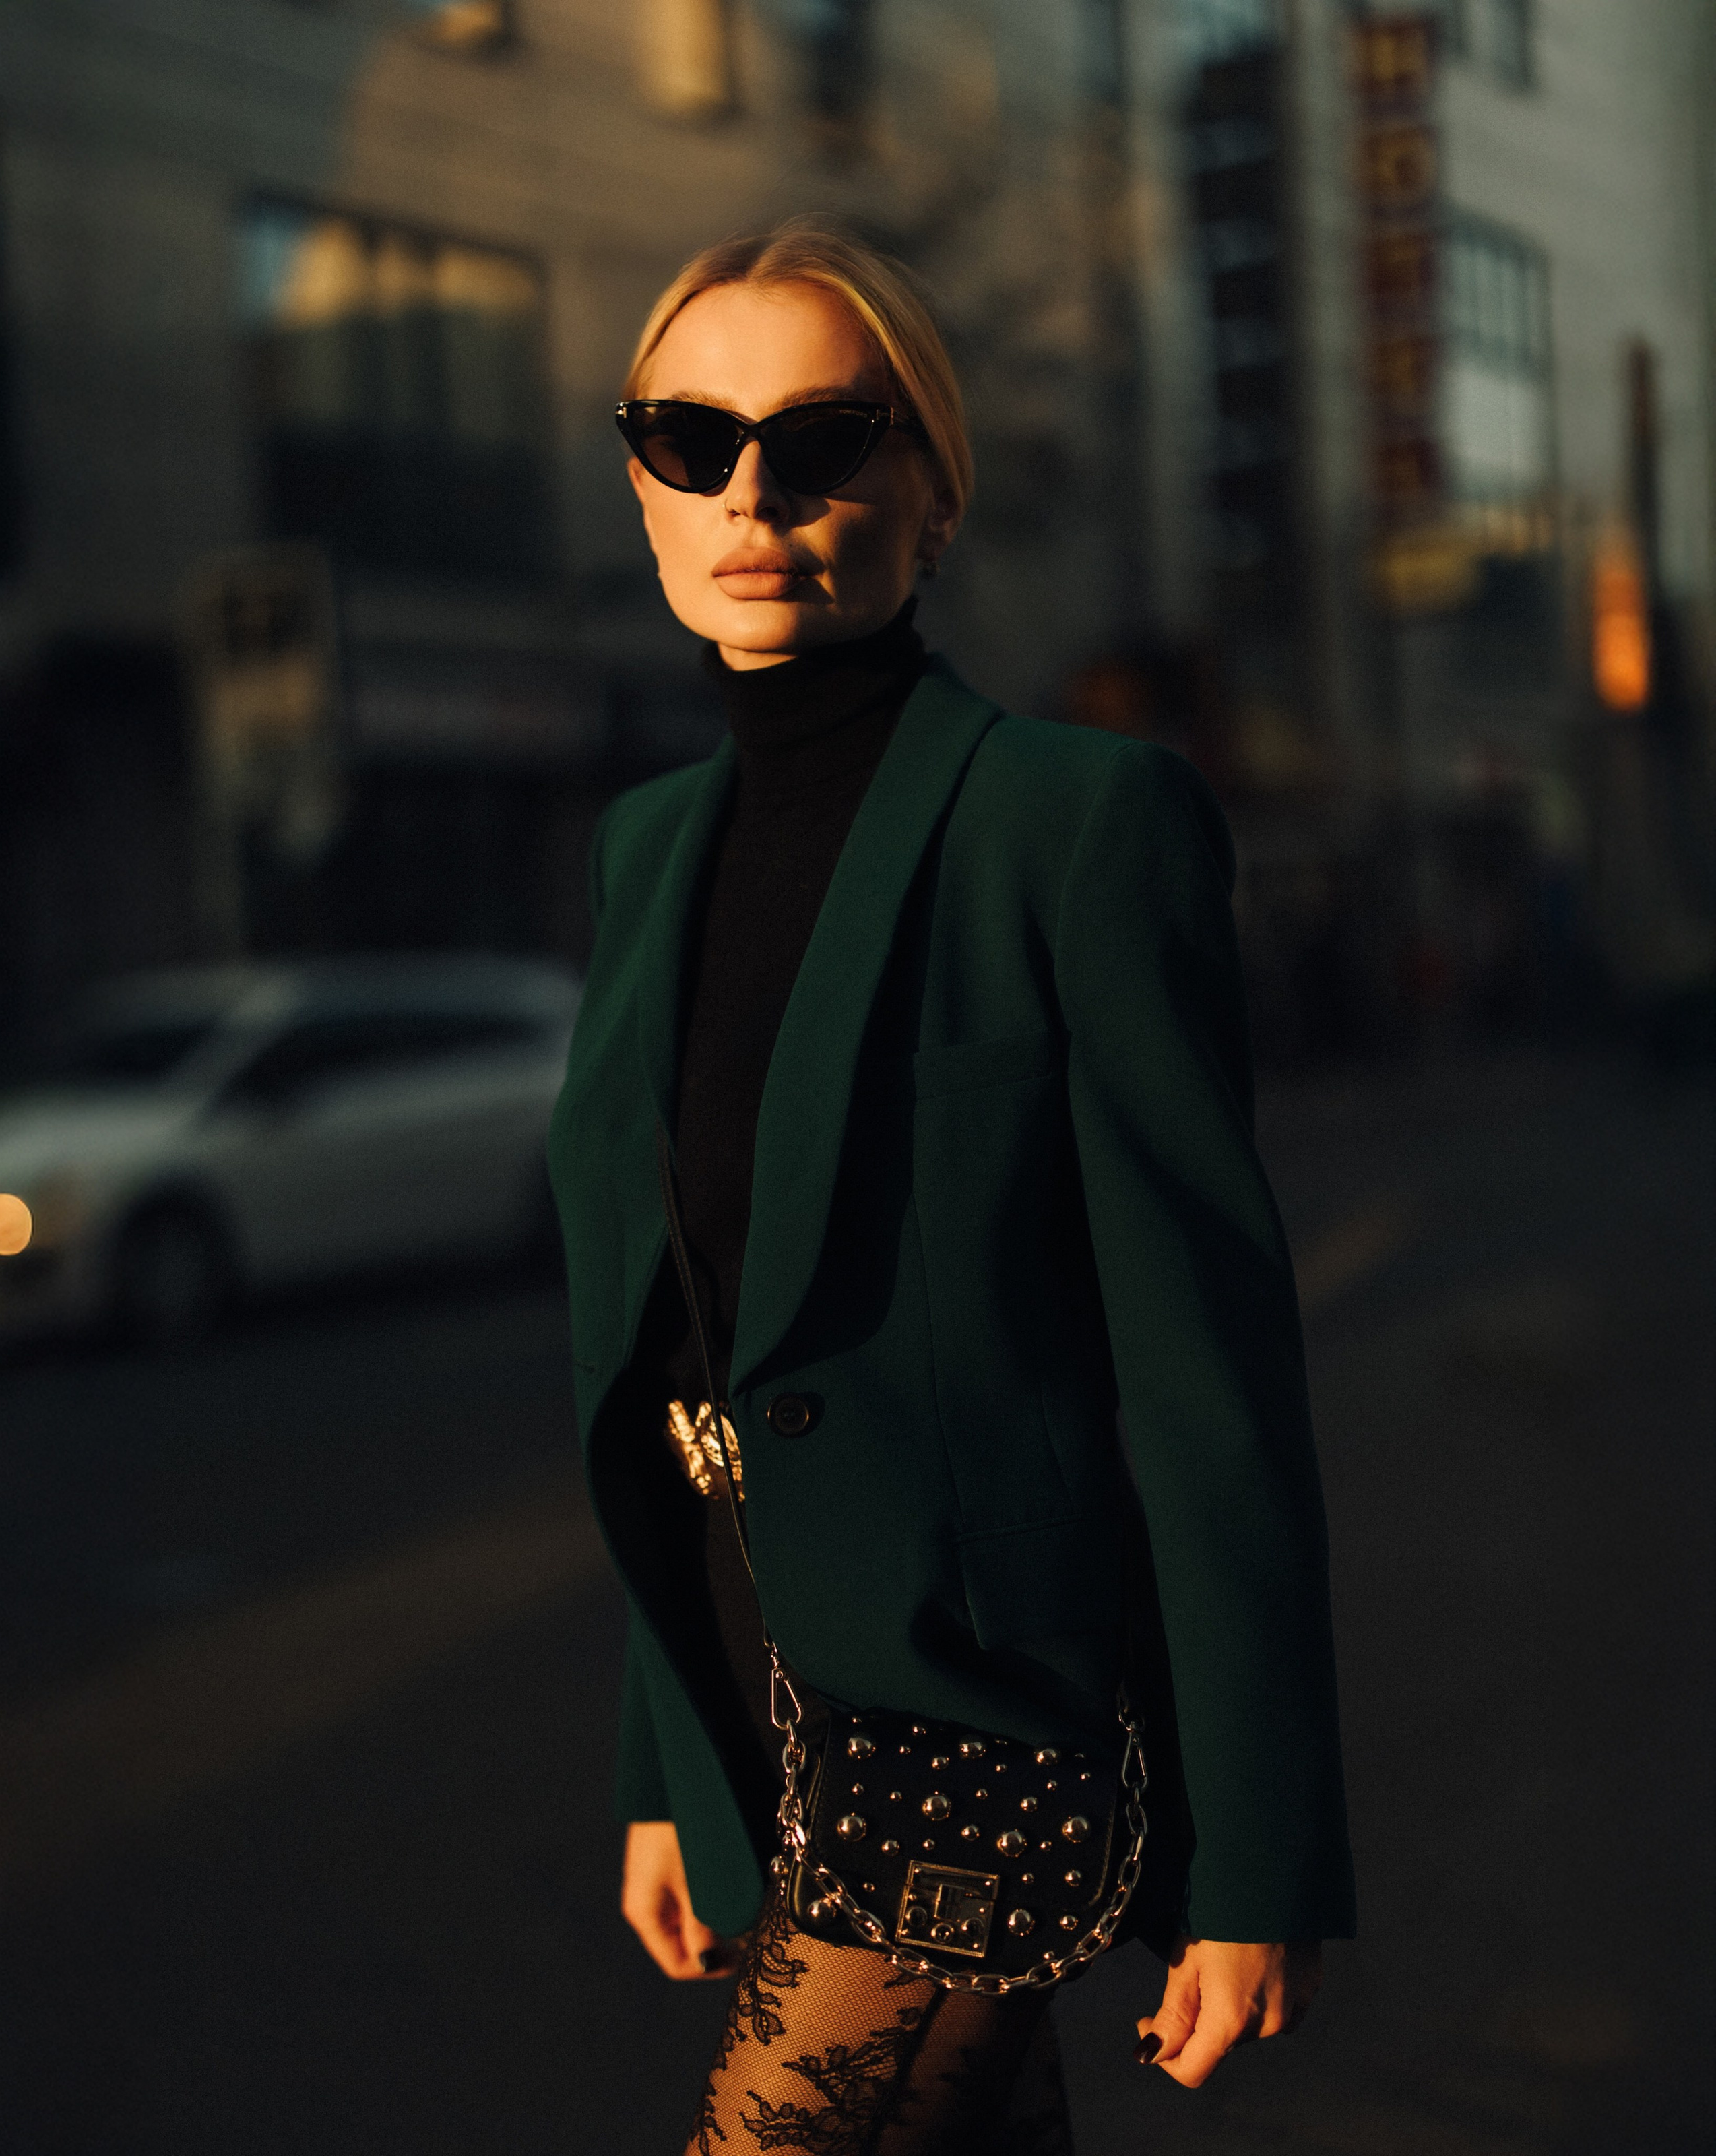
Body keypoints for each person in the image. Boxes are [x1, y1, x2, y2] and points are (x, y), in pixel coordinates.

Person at [550, 218, 1354, 2155]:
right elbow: (677, 1337)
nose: (755, 493)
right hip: (765, 1689)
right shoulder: (648, 851)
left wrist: (1257, 1854)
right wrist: (675, 1755)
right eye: (689, 439)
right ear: (643, 486)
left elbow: (1207, 1378)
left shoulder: (1076, 829)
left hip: (983, 1716)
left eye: (827, 439)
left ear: (935, 494)